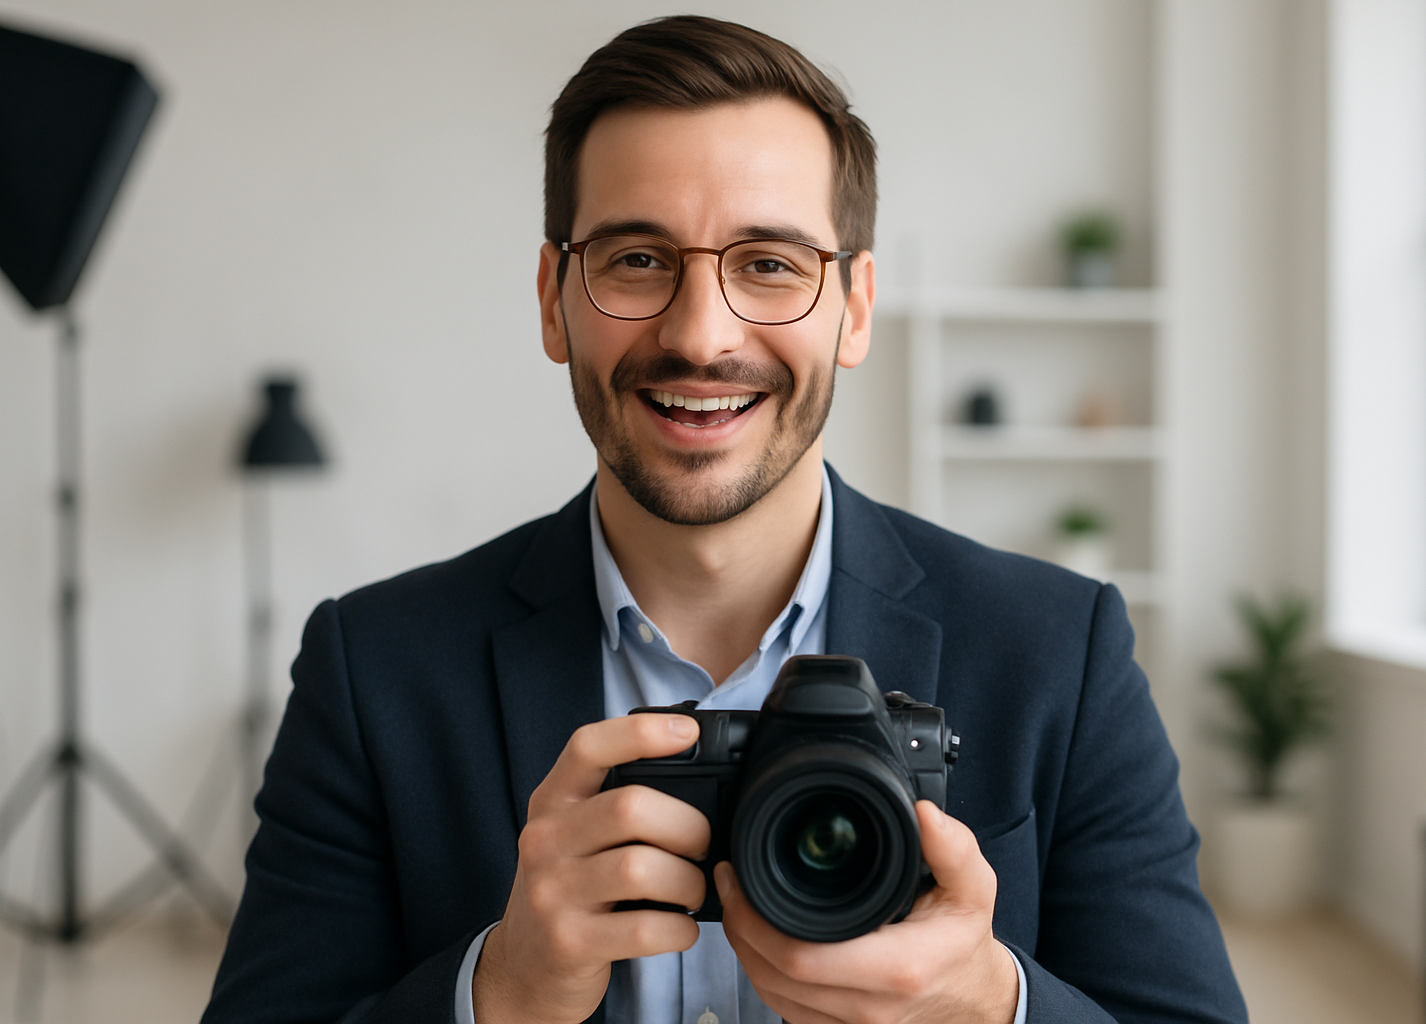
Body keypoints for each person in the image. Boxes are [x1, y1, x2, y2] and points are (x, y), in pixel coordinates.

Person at [203, 16, 1247, 1024]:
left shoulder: (1061, 651)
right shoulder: (373, 667)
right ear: (551, 299)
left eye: (771, 264)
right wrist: (500, 991)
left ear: (857, 308)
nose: (701, 337)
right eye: (637, 259)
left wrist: (985, 1006)